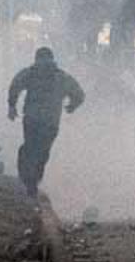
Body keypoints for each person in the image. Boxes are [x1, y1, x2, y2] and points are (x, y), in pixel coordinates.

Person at [5, 46, 88, 200]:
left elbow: (15, 85)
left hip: (32, 120)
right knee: (42, 152)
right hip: (50, 123)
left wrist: (12, 106)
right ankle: (33, 182)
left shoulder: (31, 73)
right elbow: (79, 94)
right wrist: (72, 106)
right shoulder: (61, 77)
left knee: (30, 148)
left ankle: (27, 179)